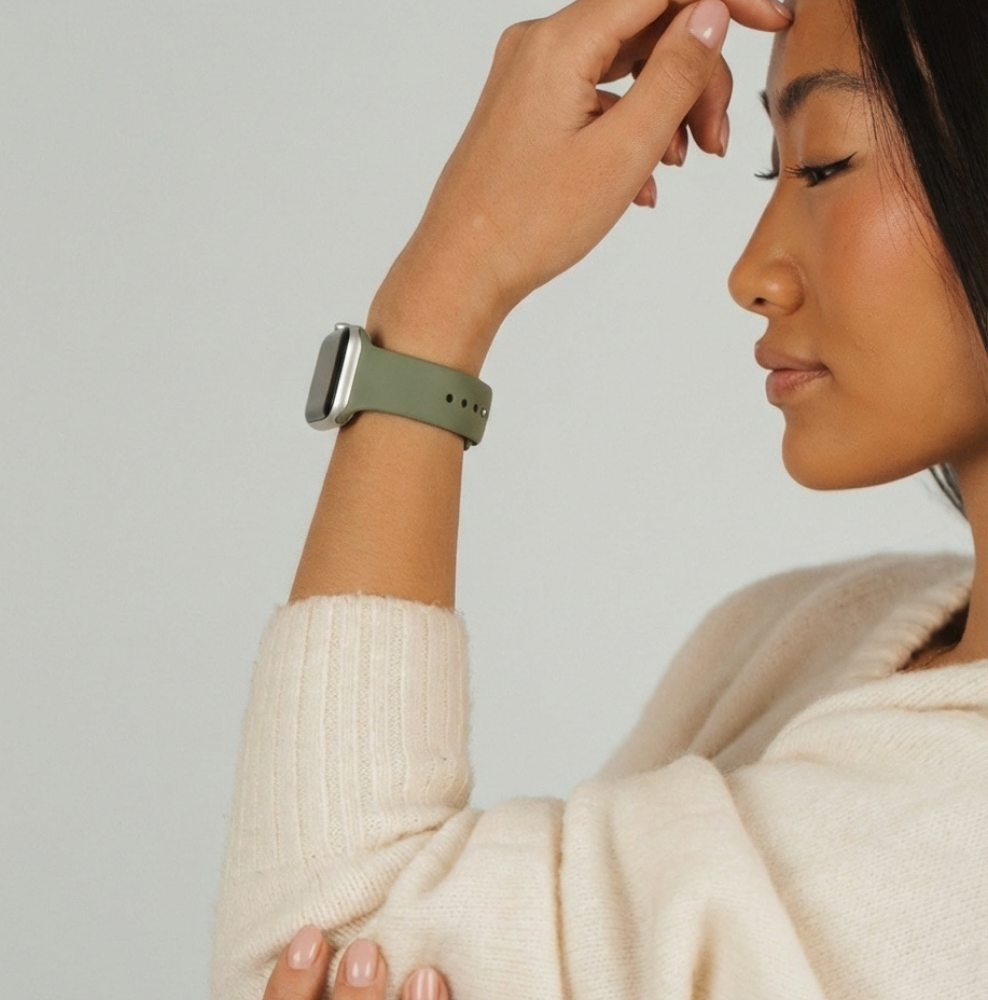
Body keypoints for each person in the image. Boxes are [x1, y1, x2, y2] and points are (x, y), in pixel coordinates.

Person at [212, 0, 988, 995]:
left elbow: (316, 941)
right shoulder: (796, 634)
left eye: (825, 164)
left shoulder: (944, 836)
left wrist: (451, 280)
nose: (751, 274)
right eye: (772, 167)